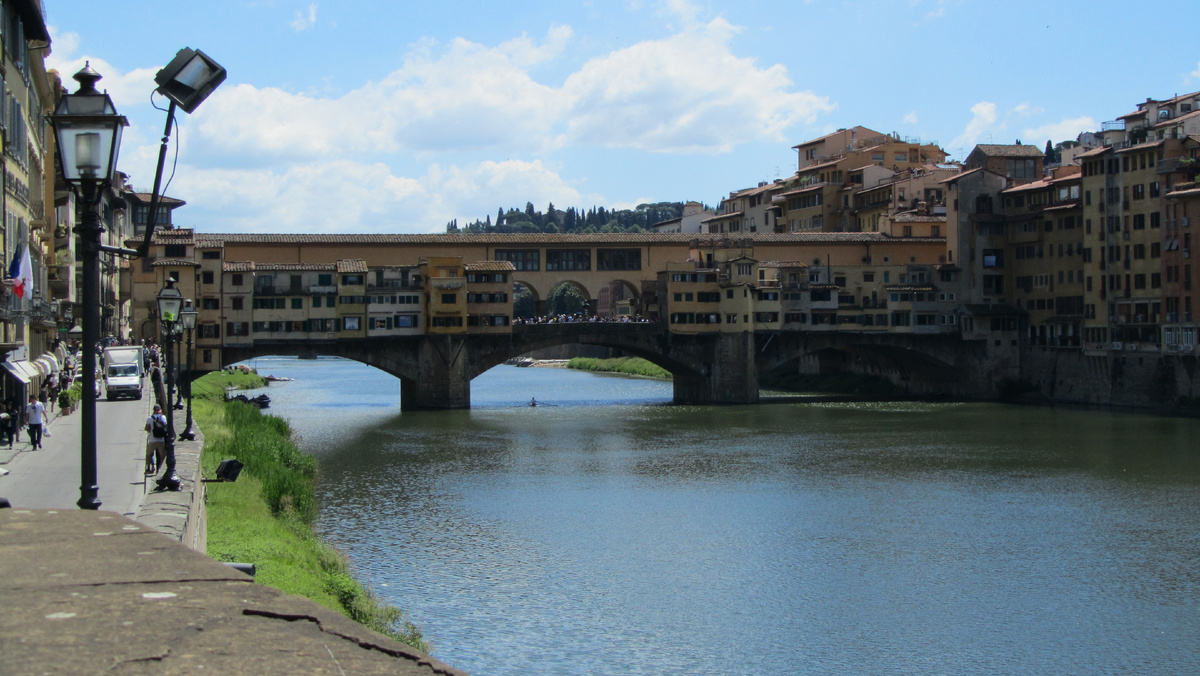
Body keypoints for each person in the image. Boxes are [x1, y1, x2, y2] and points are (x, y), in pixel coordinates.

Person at [144, 404, 169, 475]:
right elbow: (165, 427)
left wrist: (150, 430)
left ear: (154, 410)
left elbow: (146, 428)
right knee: (162, 455)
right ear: (160, 410)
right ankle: (160, 469)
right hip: (161, 440)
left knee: (149, 454)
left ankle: (149, 468)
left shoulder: (150, 418)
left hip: (152, 440)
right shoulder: (163, 417)